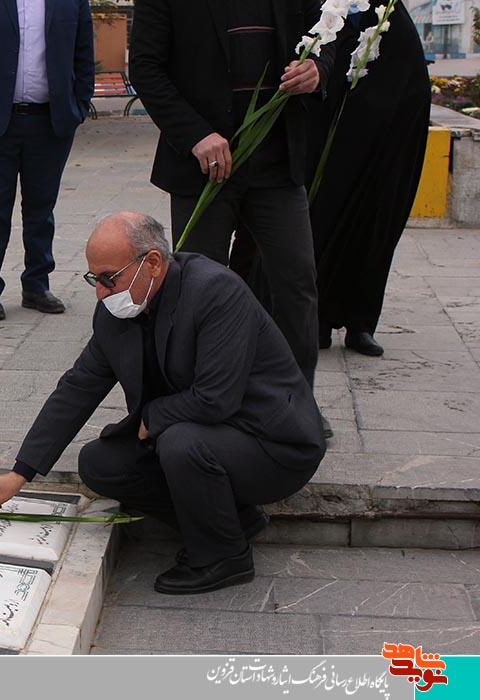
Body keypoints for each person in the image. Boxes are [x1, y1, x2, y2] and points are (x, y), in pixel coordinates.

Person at [0, 212, 326, 595]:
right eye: (94, 279)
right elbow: (78, 387)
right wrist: (20, 473)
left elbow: (215, 399)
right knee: (101, 463)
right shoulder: (118, 308)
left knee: (179, 442)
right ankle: (233, 520)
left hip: (272, 443)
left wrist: (153, 416)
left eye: (109, 278)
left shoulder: (215, 291)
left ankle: (223, 556)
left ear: (152, 262)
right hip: (205, 435)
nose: (100, 292)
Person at [128, 0, 338, 437]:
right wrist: (195, 134)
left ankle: (298, 405)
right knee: (194, 292)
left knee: (297, 285)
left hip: (277, 162)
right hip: (204, 166)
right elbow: (146, 68)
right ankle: (197, 402)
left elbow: (325, 37)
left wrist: (316, 69)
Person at [0, 0, 95, 321]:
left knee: (42, 208)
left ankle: (37, 285)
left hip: (50, 122)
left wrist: (80, 105)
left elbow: (84, 52)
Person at [309, 1, 431, 356]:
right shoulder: (329, 9)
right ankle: (316, 319)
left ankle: (360, 322)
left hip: (381, 150)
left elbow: (412, 87)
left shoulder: (390, 17)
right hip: (332, 149)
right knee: (321, 223)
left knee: (374, 228)